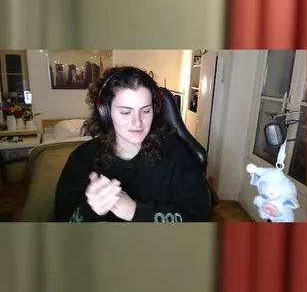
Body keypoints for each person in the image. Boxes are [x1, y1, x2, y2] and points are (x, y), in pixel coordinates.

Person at [54, 65, 212, 223]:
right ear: (105, 114)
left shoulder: (175, 154)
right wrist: (88, 209)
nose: (138, 122)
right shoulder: (81, 159)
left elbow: (199, 216)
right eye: (125, 112)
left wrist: (137, 212)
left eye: (145, 111)